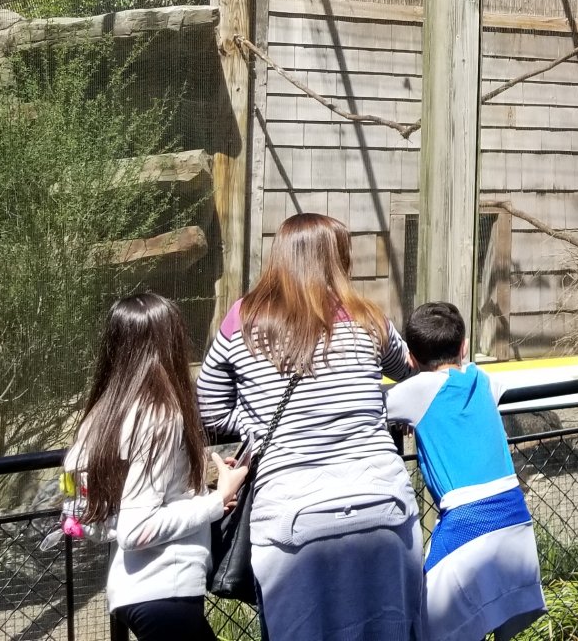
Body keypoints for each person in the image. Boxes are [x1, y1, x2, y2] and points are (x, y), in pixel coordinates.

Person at [196, 213, 425, 640]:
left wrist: (252, 422)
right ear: (337, 259)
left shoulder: (242, 321)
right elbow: (408, 370)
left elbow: (207, 410)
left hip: (292, 516)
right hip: (384, 503)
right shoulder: (367, 317)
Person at [64, 293, 250, 641]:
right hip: (165, 589)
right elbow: (138, 528)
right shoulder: (160, 417)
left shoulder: (102, 415)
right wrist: (215, 501)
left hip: (138, 592)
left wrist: (199, 485)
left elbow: (83, 512)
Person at [385, 302, 545, 641]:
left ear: (411, 359)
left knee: (421, 625)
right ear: (465, 347)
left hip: (469, 521)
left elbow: (375, 406)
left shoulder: (415, 389)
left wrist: (405, 419)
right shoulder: (482, 378)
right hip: (515, 517)